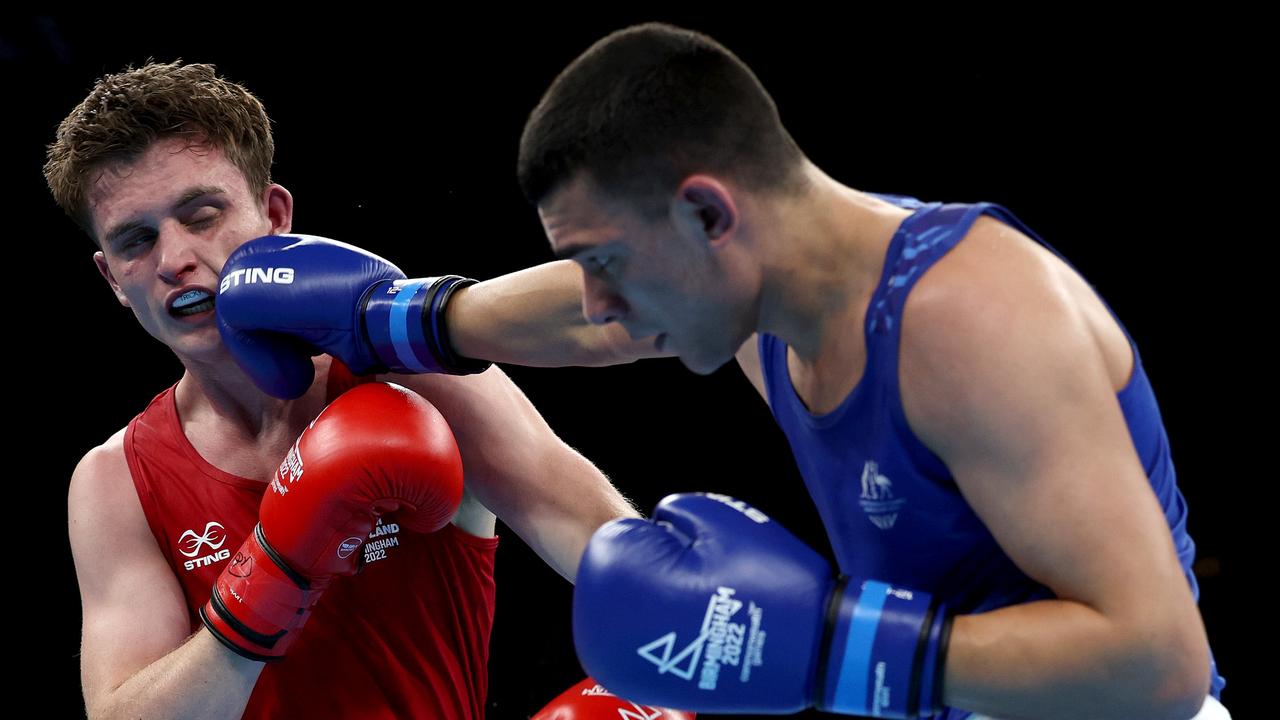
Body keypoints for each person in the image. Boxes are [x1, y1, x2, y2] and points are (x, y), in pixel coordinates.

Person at [217, 22, 1229, 720]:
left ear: (707, 213)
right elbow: (593, 320)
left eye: (607, 259)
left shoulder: (970, 324)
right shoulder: (768, 288)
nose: (602, 296)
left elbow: (1157, 662)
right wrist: (397, 319)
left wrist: (831, 650)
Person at [46, 60, 638, 719]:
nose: (174, 259)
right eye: (137, 240)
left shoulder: (415, 380)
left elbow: (607, 546)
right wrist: (272, 576)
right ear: (112, 281)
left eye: (202, 214)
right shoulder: (116, 481)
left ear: (274, 216)